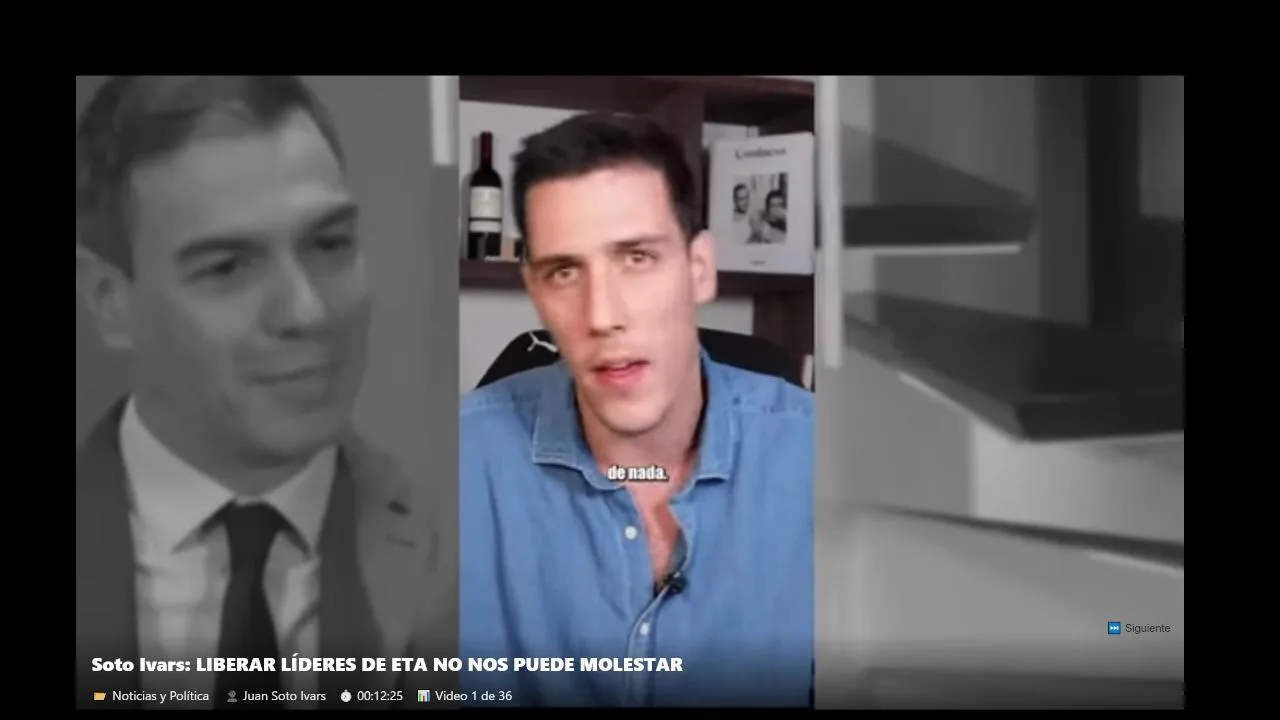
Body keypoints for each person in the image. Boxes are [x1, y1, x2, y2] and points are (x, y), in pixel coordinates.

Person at [74, 76, 452, 710]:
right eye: (226, 267)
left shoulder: (463, 556)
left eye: (328, 244)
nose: (307, 311)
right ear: (110, 302)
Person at [458, 112, 813, 707]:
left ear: (699, 270)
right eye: (564, 271)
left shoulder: (824, 462)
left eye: (637, 258)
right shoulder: (448, 466)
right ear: (534, 290)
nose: (602, 315)